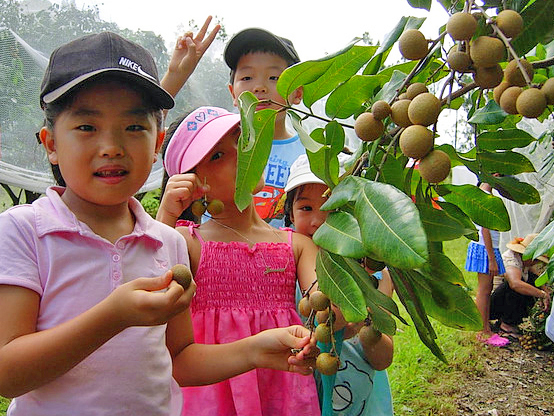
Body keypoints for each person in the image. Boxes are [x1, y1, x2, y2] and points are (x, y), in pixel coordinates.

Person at [0, 32, 319, 416]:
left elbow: (179, 359)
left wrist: (253, 349)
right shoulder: (23, 231)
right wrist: (112, 316)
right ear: (50, 142)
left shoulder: (167, 242)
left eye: (134, 127)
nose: (112, 146)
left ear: (156, 145)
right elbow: (7, 375)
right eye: (87, 127)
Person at [157, 106, 321, 415]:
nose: (241, 153)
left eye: (241, 138)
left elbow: (326, 307)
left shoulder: (296, 245)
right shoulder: (186, 243)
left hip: (282, 394)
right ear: (194, 184)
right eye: (217, 156)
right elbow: (148, 276)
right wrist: (166, 214)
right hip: (210, 397)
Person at [284, 154, 395, 416]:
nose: (318, 221)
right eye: (305, 208)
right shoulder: (283, 268)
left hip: (364, 403)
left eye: (331, 208)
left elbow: (383, 360)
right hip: (303, 399)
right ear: (289, 214)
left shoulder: (374, 274)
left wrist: (362, 322)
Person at [224, 28, 305, 227]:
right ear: (233, 93)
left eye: (274, 78)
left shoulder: (309, 156)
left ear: (298, 93)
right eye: (247, 78)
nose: (259, 87)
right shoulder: (215, 149)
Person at [464, 180, 508, 346]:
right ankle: (482, 331)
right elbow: (485, 228)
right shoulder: (485, 194)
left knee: (486, 289)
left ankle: (484, 328)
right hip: (486, 248)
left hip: (486, 247)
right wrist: (491, 258)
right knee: (484, 290)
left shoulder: (482, 192)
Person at [490, 234, 551, 338]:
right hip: (495, 304)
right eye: (536, 260)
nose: (535, 263)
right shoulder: (511, 260)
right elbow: (515, 284)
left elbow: (535, 276)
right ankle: (506, 324)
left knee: (531, 282)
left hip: (504, 302)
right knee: (518, 285)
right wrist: (542, 294)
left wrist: (545, 290)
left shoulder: (524, 262)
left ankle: (513, 320)